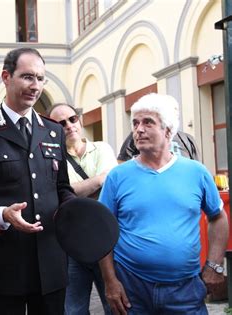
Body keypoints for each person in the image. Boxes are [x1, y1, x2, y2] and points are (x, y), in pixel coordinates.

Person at [0, 47, 75, 314]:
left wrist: (72, 209)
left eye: (41, 78)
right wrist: (2, 214)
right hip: (6, 265)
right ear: (6, 77)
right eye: (27, 77)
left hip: (51, 261)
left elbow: (62, 187)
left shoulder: (54, 131)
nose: (35, 86)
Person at [98, 93, 229, 314]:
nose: (139, 129)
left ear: (168, 131)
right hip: (131, 289)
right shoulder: (117, 176)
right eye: (135, 123)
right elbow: (102, 230)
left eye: (148, 122)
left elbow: (218, 217)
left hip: (185, 290)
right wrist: (110, 282)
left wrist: (214, 265)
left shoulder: (196, 172)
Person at [49, 103, 116, 315]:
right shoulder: (52, 159)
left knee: (115, 305)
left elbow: (111, 187)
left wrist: (72, 191)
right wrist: (99, 180)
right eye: (61, 123)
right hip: (71, 247)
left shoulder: (103, 148)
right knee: (73, 310)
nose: (69, 126)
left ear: (80, 119)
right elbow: (60, 195)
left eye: (72, 119)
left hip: (106, 243)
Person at [117, 99, 200, 163]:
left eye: (175, 111)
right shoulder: (139, 134)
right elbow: (122, 161)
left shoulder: (187, 139)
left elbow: (197, 165)